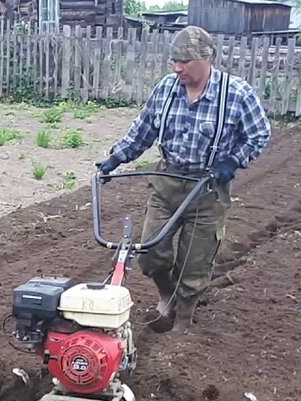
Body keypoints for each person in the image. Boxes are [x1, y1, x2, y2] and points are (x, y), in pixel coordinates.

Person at [96, 25, 271, 332]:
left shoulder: (236, 94)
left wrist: (232, 161)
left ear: (207, 58)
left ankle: (184, 315)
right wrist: (116, 158)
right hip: (167, 183)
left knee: (194, 263)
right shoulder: (166, 88)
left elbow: (259, 134)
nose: (178, 67)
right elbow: (143, 130)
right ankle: (167, 293)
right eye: (174, 60)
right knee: (150, 252)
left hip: (207, 189)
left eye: (185, 61)